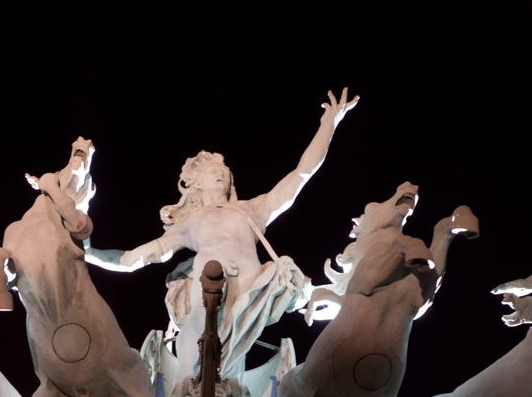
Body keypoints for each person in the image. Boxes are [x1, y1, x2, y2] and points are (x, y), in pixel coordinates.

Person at [85, 89, 358, 379]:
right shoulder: (191, 222)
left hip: (251, 291)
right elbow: (131, 260)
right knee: (199, 364)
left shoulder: (253, 209)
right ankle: (190, 392)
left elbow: (302, 174)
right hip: (208, 285)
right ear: (196, 184)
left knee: (228, 373)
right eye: (214, 170)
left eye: (225, 170)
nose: (222, 173)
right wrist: (89, 254)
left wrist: (330, 122)